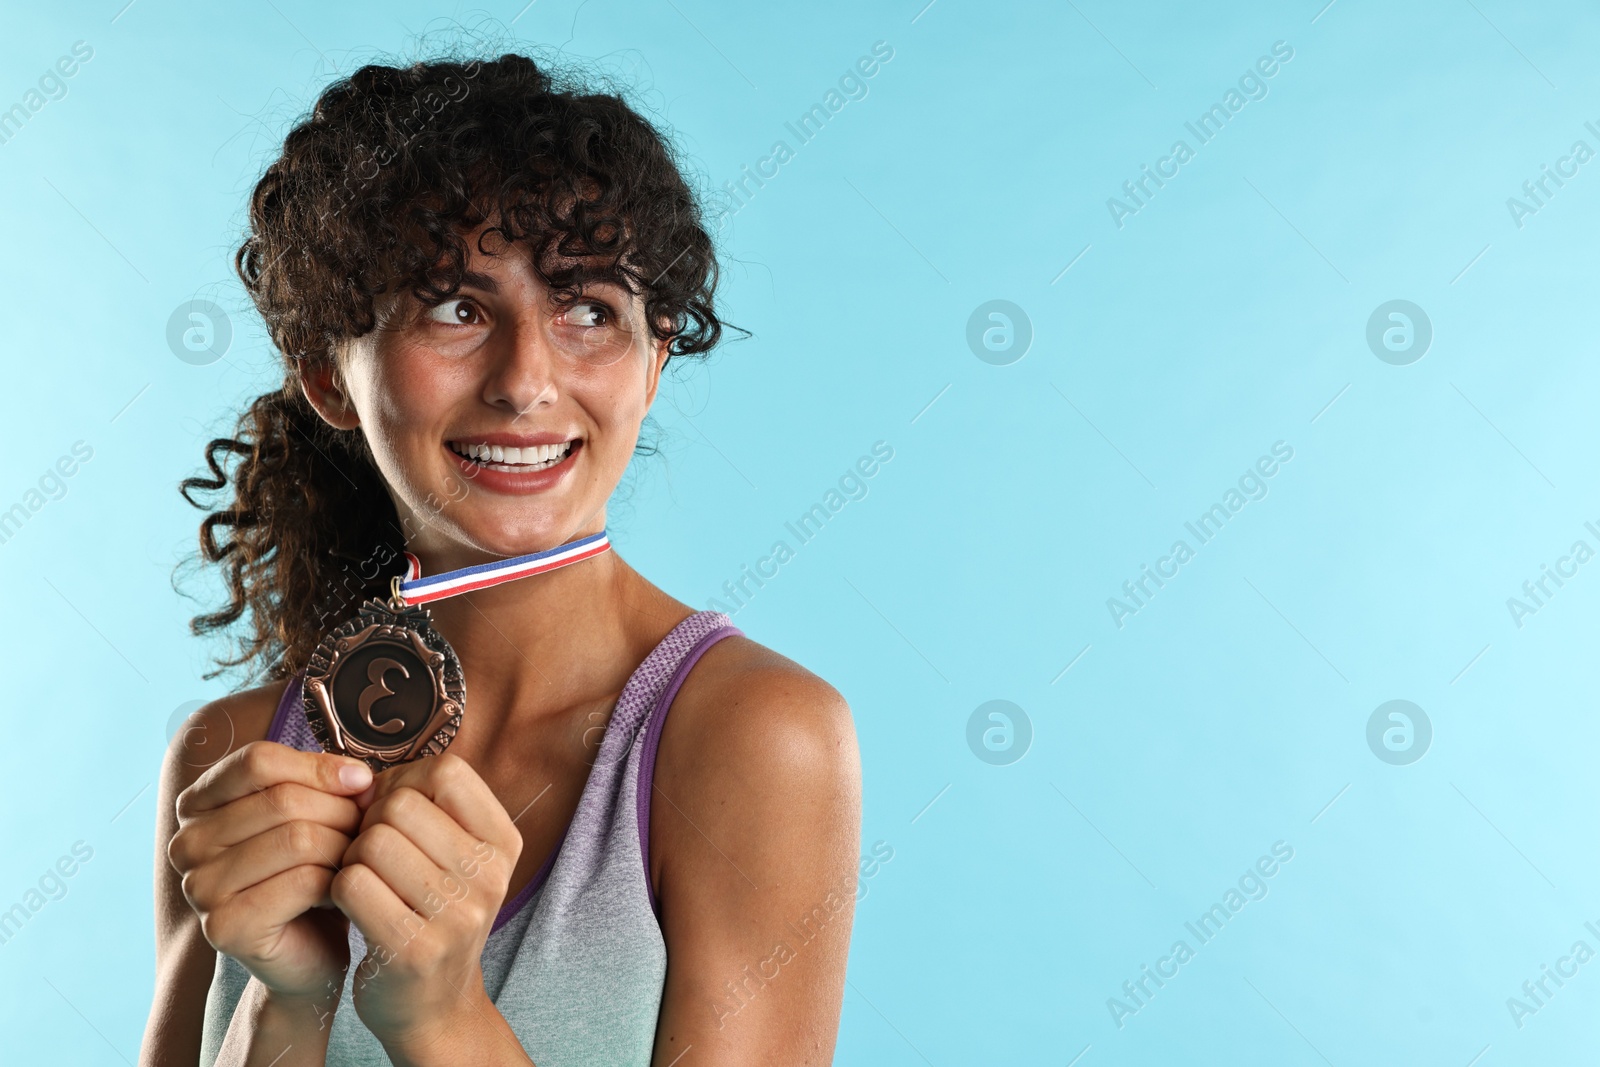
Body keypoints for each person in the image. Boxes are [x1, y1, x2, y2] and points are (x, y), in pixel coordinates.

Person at [141, 49, 860, 1067]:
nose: (527, 380)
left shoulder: (754, 737)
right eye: (454, 307)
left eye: (587, 310)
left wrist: (440, 1018)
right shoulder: (233, 751)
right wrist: (287, 1000)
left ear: (653, 362)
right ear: (328, 377)